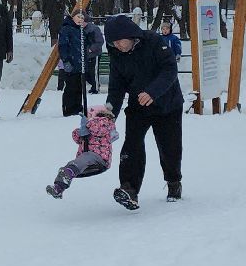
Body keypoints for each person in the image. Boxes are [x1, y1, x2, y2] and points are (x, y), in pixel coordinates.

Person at [104, 15, 184, 210]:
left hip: (167, 104)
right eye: (113, 43)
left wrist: (152, 92)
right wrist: (110, 110)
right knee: (131, 146)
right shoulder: (116, 53)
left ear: (131, 35)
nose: (118, 46)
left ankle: (173, 182)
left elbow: (169, 69)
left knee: (169, 148)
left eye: (120, 41)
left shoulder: (154, 41)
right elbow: (116, 85)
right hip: (138, 106)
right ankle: (129, 189)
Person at [46, 106, 118, 198]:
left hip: (99, 158)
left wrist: (87, 124)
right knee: (70, 166)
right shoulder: (90, 126)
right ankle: (58, 188)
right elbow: (76, 138)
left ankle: (68, 174)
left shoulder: (106, 124)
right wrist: (80, 131)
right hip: (86, 158)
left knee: (80, 162)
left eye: (89, 116)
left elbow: (98, 128)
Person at [57, 11, 93, 116]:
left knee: (79, 86)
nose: (80, 19)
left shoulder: (81, 30)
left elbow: (85, 45)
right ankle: (69, 108)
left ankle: (77, 106)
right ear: (73, 17)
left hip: (80, 64)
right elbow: (63, 46)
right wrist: (66, 61)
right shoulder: (66, 29)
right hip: (71, 63)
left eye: (82, 18)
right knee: (71, 87)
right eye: (78, 17)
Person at [84, 16, 104, 94]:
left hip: (94, 54)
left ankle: (95, 87)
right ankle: (93, 85)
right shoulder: (80, 29)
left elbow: (100, 41)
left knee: (93, 72)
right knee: (86, 72)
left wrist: (91, 49)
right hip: (85, 54)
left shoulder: (94, 29)